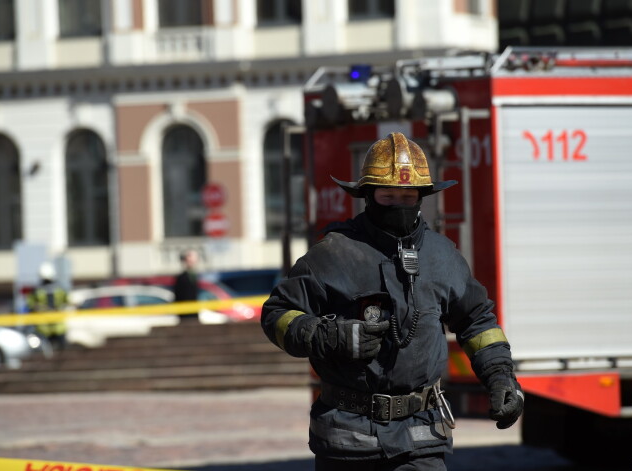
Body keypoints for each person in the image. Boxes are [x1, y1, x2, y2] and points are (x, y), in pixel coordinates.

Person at [260, 132, 524, 470]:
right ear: (368, 196)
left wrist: (501, 377)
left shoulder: (442, 256)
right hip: (348, 440)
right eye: (387, 196)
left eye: (407, 195)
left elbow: (477, 322)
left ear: (420, 197)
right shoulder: (333, 254)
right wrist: (328, 335)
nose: (398, 203)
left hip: (423, 438)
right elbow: (276, 315)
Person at [26, 262, 69, 350]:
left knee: (58, 347)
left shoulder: (39, 289)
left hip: (54, 325)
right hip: (47, 326)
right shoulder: (59, 288)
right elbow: (31, 304)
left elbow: (67, 301)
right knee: (45, 348)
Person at [173, 249, 200, 320]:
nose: (191, 262)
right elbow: (178, 296)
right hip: (185, 315)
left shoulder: (197, 276)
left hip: (194, 313)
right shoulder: (181, 278)